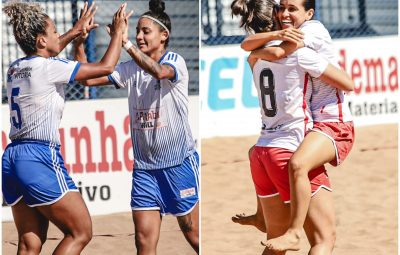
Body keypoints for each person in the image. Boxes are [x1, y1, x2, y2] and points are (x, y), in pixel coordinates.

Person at [74, 0, 199, 254]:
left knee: (195, 236)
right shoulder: (129, 68)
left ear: (164, 35)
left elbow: (160, 72)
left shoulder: (174, 61)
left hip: (178, 164)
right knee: (143, 242)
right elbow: (86, 79)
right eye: (137, 31)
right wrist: (79, 40)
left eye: (145, 31)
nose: (139, 36)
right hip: (144, 170)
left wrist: (126, 43)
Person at [2, 2, 127, 254]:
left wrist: (75, 32)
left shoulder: (14, 67)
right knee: (80, 231)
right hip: (39, 156)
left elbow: (53, 48)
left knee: (30, 244)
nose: (58, 36)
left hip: (11, 158)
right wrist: (117, 34)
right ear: (40, 41)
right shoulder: (49, 67)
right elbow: (106, 67)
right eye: (54, 32)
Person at [231, 0, 354, 254]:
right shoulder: (298, 53)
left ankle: (265, 218)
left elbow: (249, 47)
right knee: (323, 239)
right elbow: (348, 83)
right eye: (281, 9)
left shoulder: (255, 57)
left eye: (290, 9)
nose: (285, 14)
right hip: (297, 142)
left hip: (262, 151)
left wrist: (266, 40)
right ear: (276, 20)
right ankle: (294, 232)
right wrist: (279, 36)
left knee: (274, 244)